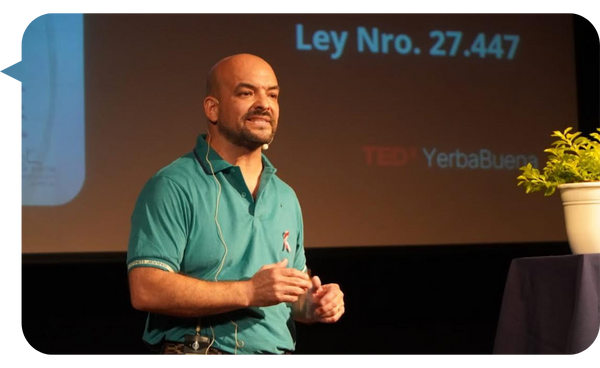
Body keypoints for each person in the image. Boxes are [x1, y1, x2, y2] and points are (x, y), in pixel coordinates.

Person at [126, 53, 345, 358]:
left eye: (272, 94)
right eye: (246, 93)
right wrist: (249, 291)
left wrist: (313, 303)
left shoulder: (286, 197)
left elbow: (289, 294)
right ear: (212, 109)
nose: (263, 104)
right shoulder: (174, 185)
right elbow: (146, 288)